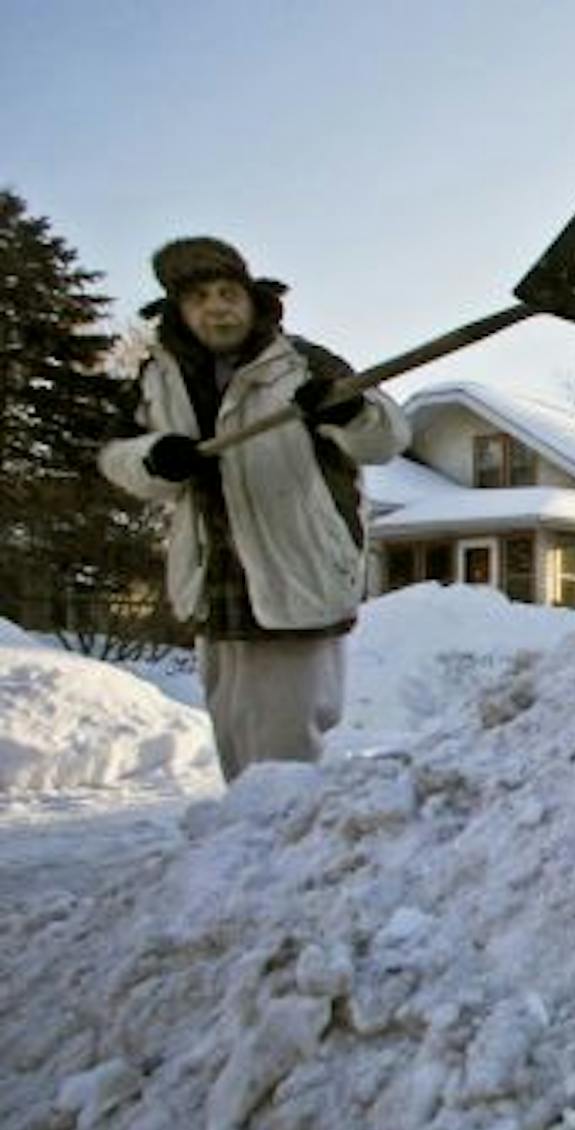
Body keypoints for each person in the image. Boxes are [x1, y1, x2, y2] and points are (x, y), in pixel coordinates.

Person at [100, 236, 409, 781]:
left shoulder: (302, 363)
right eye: (198, 297)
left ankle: (288, 847)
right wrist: (154, 458)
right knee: (235, 731)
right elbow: (115, 457)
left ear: (252, 298)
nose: (216, 307)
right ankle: (249, 841)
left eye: (227, 292)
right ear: (178, 309)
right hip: (214, 572)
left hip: (299, 562)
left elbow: (387, 436)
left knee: (288, 741)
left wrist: (349, 408)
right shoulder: (158, 378)